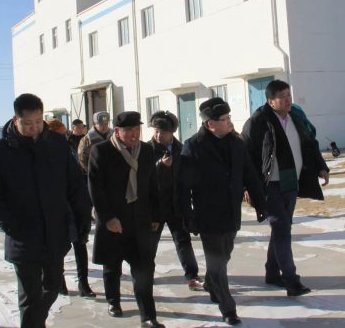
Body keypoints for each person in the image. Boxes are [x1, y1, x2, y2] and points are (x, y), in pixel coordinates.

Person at [0, 94, 92, 328]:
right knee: (30, 297)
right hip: (23, 236)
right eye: (28, 123)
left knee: (53, 286)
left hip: (55, 234)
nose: (34, 128)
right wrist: (12, 226)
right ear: (16, 120)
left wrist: (82, 218)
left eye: (39, 122)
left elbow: (74, 185)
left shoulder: (57, 144)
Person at [178, 98, 267, 325]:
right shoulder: (193, 146)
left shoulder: (237, 143)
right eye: (225, 119)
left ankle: (210, 283)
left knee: (225, 255)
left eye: (229, 117)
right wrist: (188, 216)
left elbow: (250, 175)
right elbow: (183, 187)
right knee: (217, 263)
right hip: (207, 215)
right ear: (211, 124)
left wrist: (260, 204)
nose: (229, 122)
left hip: (231, 213)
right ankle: (228, 309)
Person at [241, 79, 329, 296]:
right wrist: (246, 187)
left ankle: (272, 273)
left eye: (289, 96)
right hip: (269, 185)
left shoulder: (296, 117)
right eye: (282, 97)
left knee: (282, 227)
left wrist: (321, 166)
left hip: (291, 181)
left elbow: (310, 143)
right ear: (270, 101)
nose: (288, 100)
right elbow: (245, 156)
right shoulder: (257, 122)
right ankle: (291, 281)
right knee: (281, 228)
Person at [88, 111, 164, 328]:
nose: (134, 134)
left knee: (144, 269)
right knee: (112, 266)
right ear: (117, 131)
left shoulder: (146, 150)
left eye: (137, 129)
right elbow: (95, 188)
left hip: (140, 221)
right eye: (129, 130)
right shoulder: (101, 151)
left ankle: (148, 317)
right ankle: (113, 301)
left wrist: (156, 215)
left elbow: (152, 184)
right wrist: (107, 218)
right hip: (114, 221)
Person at [148, 110, 204, 291]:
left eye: (163, 132)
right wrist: (160, 166)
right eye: (156, 131)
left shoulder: (181, 149)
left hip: (176, 205)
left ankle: (192, 275)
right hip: (155, 207)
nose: (158, 135)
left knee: (182, 241)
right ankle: (146, 274)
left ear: (172, 132)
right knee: (150, 244)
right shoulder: (147, 149)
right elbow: (143, 176)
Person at [46, 118, 96, 298]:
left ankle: (83, 283)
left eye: (63, 134)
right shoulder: (44, 153)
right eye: (58, 134)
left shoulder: (69, 149)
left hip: (76, 204)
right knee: (58, 246)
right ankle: (60, 282)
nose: (62, 137)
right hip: (57, 207)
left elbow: (79, 177)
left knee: (79, 244)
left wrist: (84, 207)